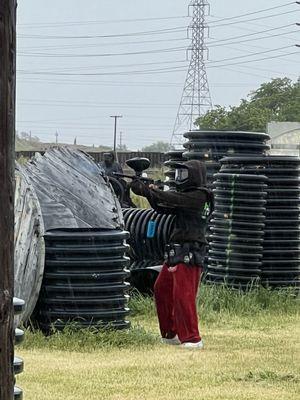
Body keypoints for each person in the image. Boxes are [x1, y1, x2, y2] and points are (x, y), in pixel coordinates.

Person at [130, 160, 213, 349]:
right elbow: (163, 208)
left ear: (194, 176)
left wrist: (148, 190)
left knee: (184, 295)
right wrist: (149, 193)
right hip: (177, 249)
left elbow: (173, 199)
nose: (179, 178)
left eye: (183, 174)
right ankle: (170, 333)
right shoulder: (188, 197)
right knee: (162, 289)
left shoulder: (200, 196)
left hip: (190, 251)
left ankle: (192, 338)